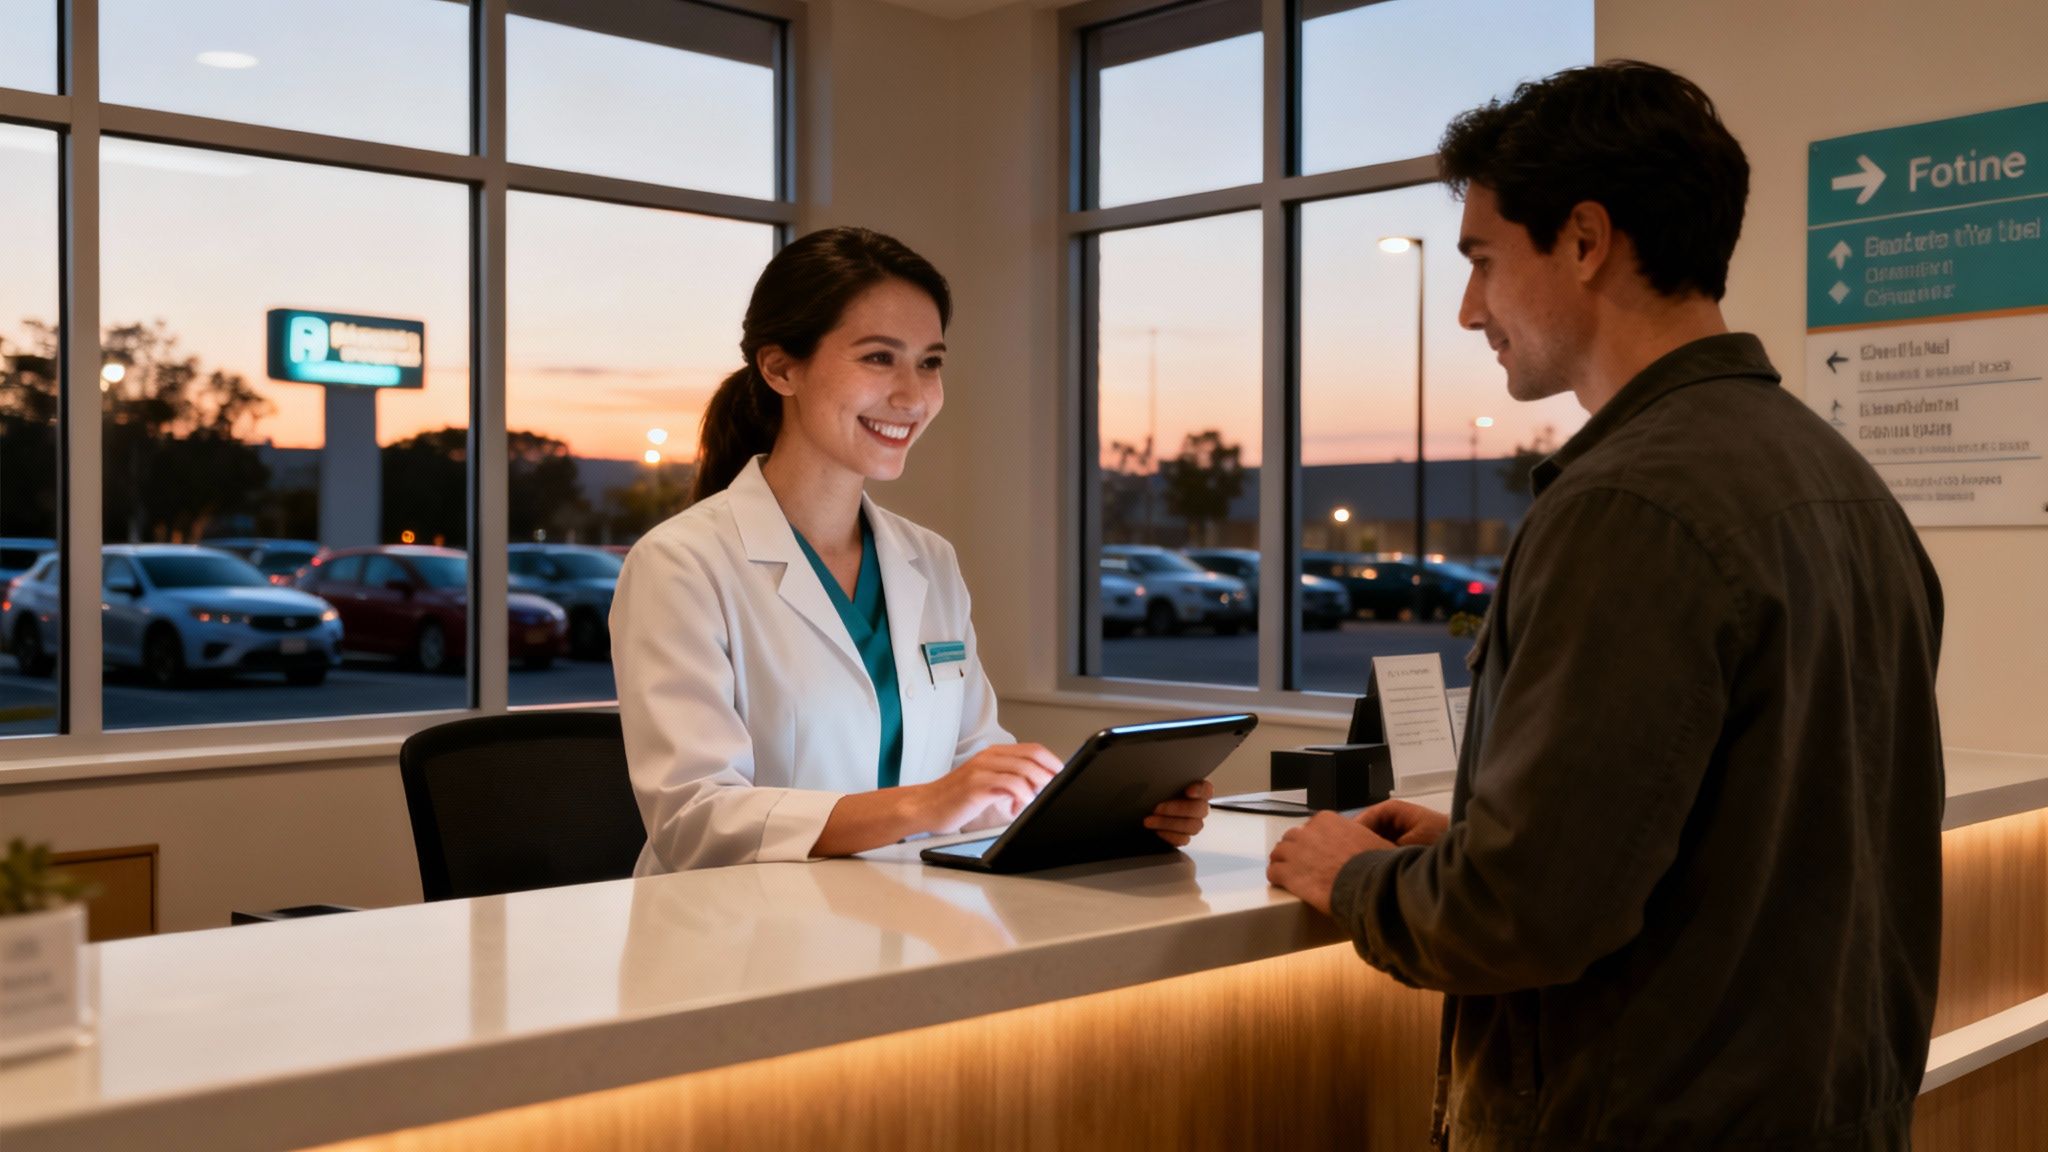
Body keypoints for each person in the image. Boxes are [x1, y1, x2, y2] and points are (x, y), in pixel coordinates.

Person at [1267, 62, 1944, 1150]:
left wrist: (1354, 882)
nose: (1466, 309)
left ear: (1584, 240)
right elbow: (1762, 832)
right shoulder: (1836, 480)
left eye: (1483, 261)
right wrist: (1480, 840)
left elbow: (1520, 919)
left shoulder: (1628, 504)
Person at [613, 226, 1212, 873]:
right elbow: (693, 818)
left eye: (930, 362)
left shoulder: (929, 560)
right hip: (736, 941)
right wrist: (921, 805)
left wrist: (1110, 809)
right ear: (781, 366)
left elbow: (974, 768)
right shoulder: (680, 565)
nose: (914, 395)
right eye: (878, 358)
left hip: (901, 920)